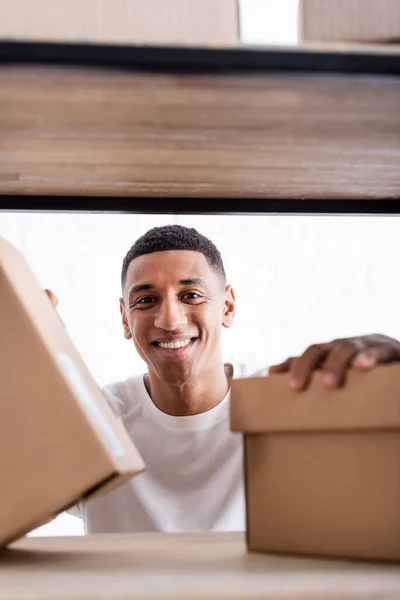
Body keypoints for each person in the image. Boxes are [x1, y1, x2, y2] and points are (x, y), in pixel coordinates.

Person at [46, 224, 400, 534]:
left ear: (227, 307)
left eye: (191, 296)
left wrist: (391, 370)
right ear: (125, 318)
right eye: (147, 300)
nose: (169, 320)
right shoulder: (93, 419)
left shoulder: (286, 404)